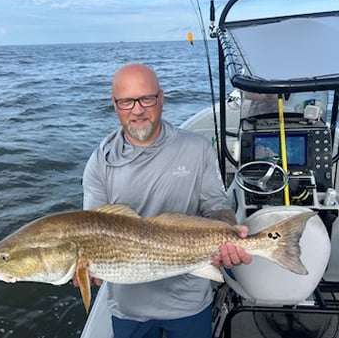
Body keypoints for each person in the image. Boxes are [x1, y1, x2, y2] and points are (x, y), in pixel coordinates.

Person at [81, 63, 251, 338]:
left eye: (146, 98)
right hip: (128, 309)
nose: (137, 110)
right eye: (126, 101)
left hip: (189, 303)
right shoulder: (101, 162)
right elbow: (91, 233)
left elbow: (217, 207)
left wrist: (227, 235)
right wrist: (85, 271)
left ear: (161, 98)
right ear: (114, 104)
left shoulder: (196, 149)